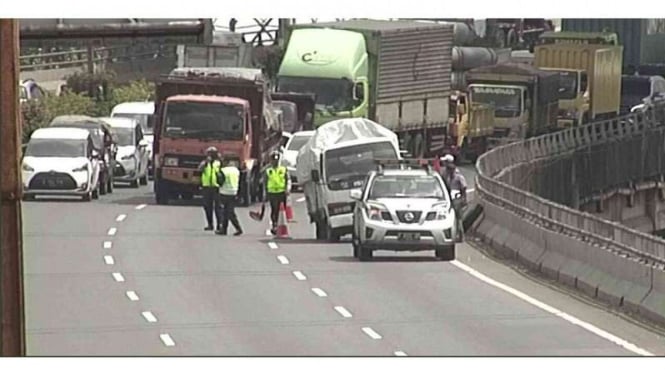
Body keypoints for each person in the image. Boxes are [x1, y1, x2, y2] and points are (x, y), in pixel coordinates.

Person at [216, 157, 243, 236]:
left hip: (224, 192)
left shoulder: (223, 171)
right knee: (229, 212)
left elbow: (220, 182)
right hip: (233, 192)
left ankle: (237, 229)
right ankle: (224, 230)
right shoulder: (236, 170)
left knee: (227, 212)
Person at [265, 151, 290, 235]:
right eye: (273, 160)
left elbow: (287, 180)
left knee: (282, 210)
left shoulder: (283, 169)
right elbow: (265, 182)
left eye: (276, 160)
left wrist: (287, 189)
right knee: (274, 209)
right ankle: (275, 225)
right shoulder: (268, 170)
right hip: (272, 193)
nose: (275, 162)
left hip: (281, 192)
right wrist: (265, 193)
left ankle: (281, 225)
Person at [198, 146, 223, 231]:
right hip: (207, 187)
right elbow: (199, 169)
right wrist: (205, 163)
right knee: (207, 207)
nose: (210, 155)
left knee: (218, 207)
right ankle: (210, 224)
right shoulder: (205, 163)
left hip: (217, 187)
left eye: (212, 153)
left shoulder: (219, 163)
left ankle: (219, 224)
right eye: (208, 153)